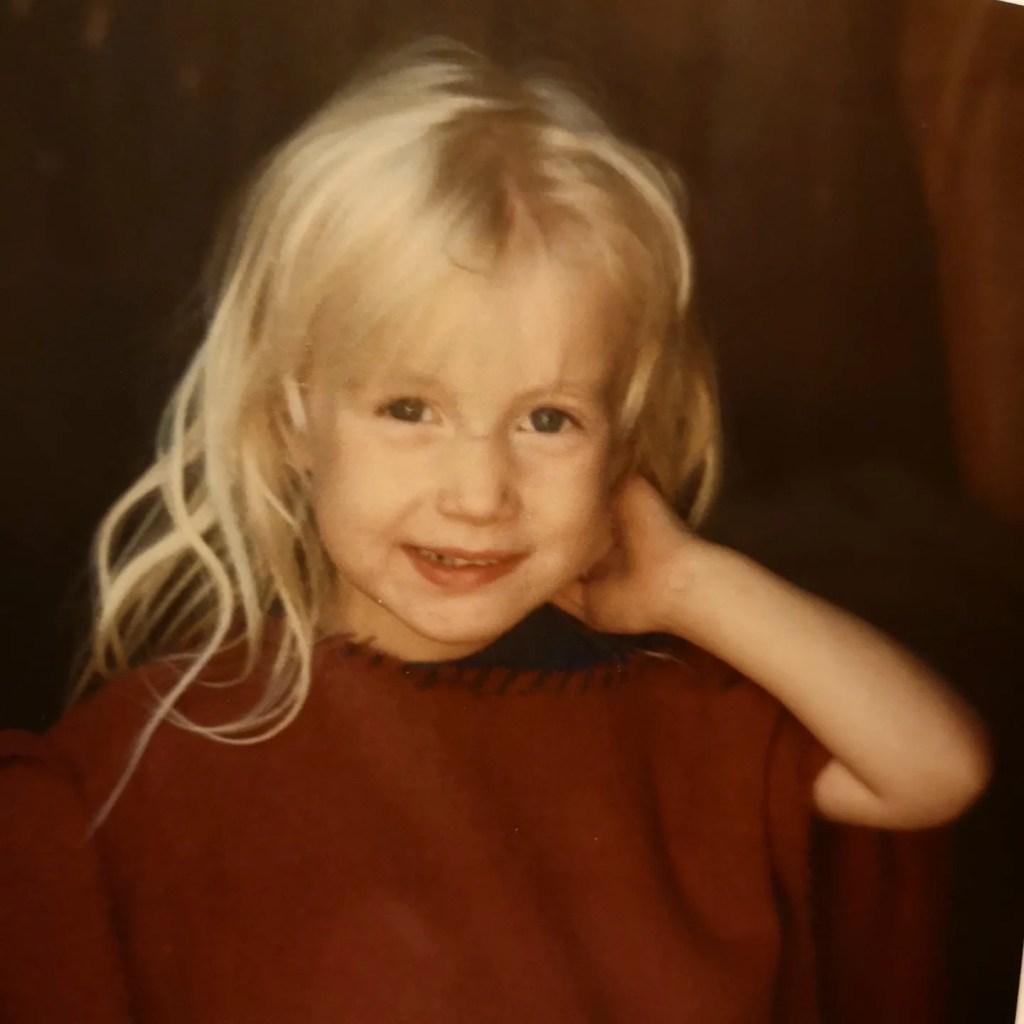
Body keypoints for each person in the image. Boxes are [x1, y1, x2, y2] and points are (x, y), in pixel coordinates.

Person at [0, 38, 990, 1024]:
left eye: (547, 419)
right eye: (409, 409)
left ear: (620, 447)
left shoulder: (687, 722)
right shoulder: (153, 768)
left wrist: (689, 582)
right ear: (290, 419)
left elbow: (937, 771)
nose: (479, 494)